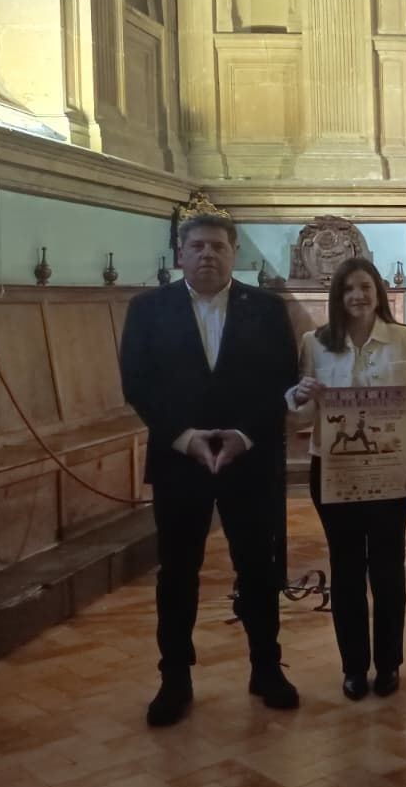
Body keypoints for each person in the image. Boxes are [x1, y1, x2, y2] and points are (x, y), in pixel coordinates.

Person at [119, 213, 300, 727]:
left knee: (259, 571)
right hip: (181, 461)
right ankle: (174, 677)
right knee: (177, 573)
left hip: (250, 459)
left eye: (217, 247)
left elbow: (283, 378)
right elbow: (138, 382)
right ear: (180, 254)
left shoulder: (265, 308)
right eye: (196, 246)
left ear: (233, 252)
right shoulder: (148, 309)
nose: (207, 255)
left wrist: (243, 436)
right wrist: (186, 437)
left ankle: (266, 667)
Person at [286, 258, 406, 702]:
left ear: (378, 292)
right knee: (346, 571)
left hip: (390, 470)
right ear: (338, 296)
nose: (357, 296)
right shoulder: (316, 343)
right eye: (348, 289)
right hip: (333, 471)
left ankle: (388, 663)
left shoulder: (404, 339)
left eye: (365, 287)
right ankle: (353, 666)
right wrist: (297, 398)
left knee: (387, 570)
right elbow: (304, 416)